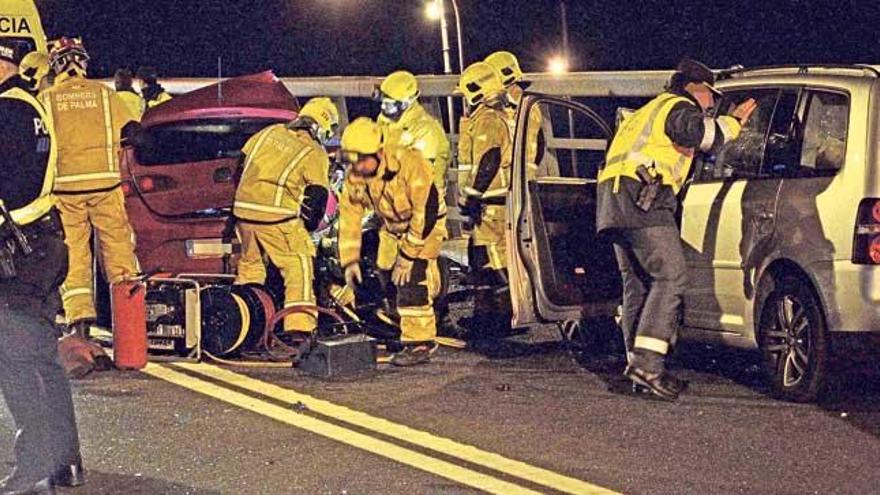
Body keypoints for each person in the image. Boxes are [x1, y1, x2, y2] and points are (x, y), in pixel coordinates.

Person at [596, 57, 757, 401]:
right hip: (644, 198)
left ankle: (635, 364)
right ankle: (649, 366)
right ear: (694, 87)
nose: (712, 104)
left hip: (613, 202)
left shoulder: (645, 111)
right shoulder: (678, 106)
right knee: (671, 277)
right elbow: (697, 133)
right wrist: (733, 123)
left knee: (638, 283)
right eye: (711, 96)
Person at [0, 27, 85, 495]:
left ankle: (36, 466)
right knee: (40, 361)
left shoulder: (7, 110)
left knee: (18, 362)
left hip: (19, 252)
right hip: (40, 244)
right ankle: (62, 461)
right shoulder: (28, 106)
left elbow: (9, 186)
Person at [39, 37, 141, 336]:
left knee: (75, 257)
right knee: (119, 253)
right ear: (83, 62)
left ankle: (80, 327)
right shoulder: (106, 95)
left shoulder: (47, 98)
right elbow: (133, 132)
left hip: (65, 190)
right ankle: (130, 329)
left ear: (55, 65)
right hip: (106, 187)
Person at [338, 118, 447, 366]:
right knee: (387, 274)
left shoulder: (410, 163)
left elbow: (425, 211)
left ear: (379, 152)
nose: (358, 168)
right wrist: (350, 260)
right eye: (352, 161)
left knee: (410, 278)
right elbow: (350, 218)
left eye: (362, 160)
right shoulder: (357, 175)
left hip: (426, 225)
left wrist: (408, 257)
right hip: (392, 228)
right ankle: (406, 326)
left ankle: (420, 343)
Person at [233, 97, 337, 342]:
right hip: (276, 217)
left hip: (243, 213)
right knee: (298, 264)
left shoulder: (268, 132)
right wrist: (308, 228)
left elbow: (241, 165)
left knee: (251, 267)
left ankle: (246, 320)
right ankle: (299, 327)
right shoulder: (313, 151)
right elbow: (318, 196)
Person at [374, 71, 451, 324]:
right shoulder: (384, 123)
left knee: (413, 274)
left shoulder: (425, 131)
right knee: (385, 267)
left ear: (408, 102)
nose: (386, 108)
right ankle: (398, 316)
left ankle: (420, 337)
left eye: (391, 104)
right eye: (383, 102)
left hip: (419, 214)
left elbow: (424, 193)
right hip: (392, 216)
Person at [455, 62, 514, 334]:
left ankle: (500, 318)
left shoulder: (488, 120)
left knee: (493, 262)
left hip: (491, 203)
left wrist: (472, 197)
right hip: (489, 203)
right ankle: (487, 317)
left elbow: (488, 160)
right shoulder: (485, 118)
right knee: (482, 261)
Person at [484, 51, 544, 180]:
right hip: (525, 179)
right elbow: (540, 145)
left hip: (506, 183)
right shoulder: (529, 103)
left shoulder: (506, 108)